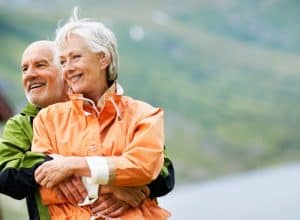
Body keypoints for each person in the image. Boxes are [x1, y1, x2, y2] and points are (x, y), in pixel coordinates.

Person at [0, 40, 174, 219]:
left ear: (66, 71)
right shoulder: (21, 125)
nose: (30, 74)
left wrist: (72, 169)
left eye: (40, 65)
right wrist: (106, 185)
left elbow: (163, 174)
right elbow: (6, 177)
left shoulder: (115, 111)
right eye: (24, 69)